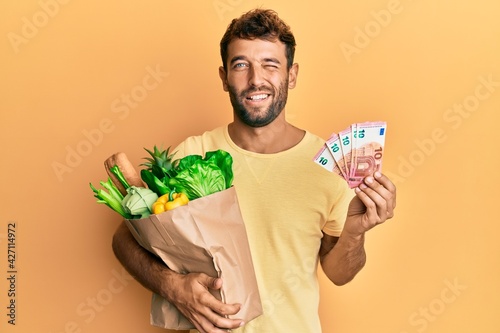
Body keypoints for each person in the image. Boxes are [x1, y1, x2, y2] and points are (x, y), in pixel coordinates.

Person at [112, 8, 396, 333]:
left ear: (292, 75)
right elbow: (124, 238)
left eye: (270, 64)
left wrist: (355, 232)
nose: (255, 79)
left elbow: (339, 273)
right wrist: (172, 287)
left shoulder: (327, 165)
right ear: (224, 77)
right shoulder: (190, 155)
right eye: (241, 65)